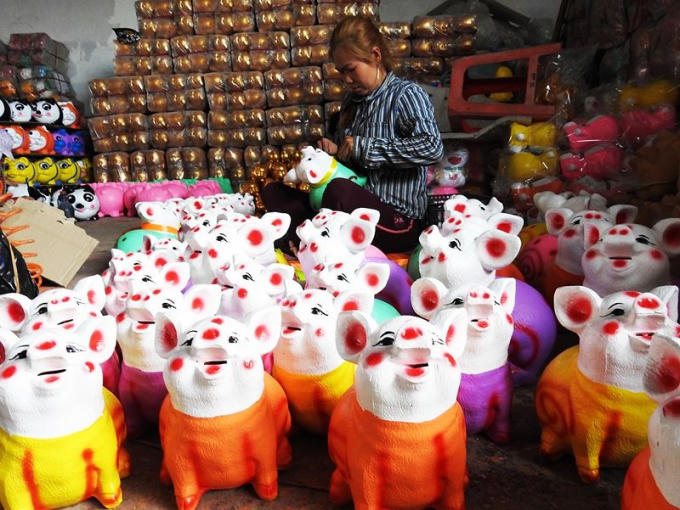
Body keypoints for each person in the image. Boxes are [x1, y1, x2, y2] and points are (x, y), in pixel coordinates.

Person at [261, 16, 444, 254]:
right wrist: (334, 153)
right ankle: (307, 240)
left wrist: (365, 148)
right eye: (341, 72)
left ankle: (304, 240)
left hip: (397, 220)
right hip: (352, 210)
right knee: (273, 191)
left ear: (375, 55)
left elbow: (432, 147)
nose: (346, 79)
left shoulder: (406, 95)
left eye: (351, 69)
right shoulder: (352, 103)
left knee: (339, 191)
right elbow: (349, 168)